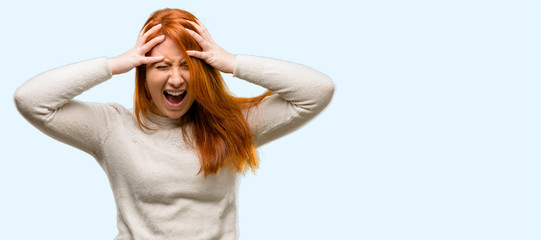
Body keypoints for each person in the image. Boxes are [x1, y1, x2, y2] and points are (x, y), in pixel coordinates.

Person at [14, 8, 334, 240]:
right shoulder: (112, 127)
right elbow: (32, 100)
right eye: (162, 66)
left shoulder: (233, 125)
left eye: (187, 65)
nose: (177, 79)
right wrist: (114, 64)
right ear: (143, 72)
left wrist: (231, 62)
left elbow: (317, 92)